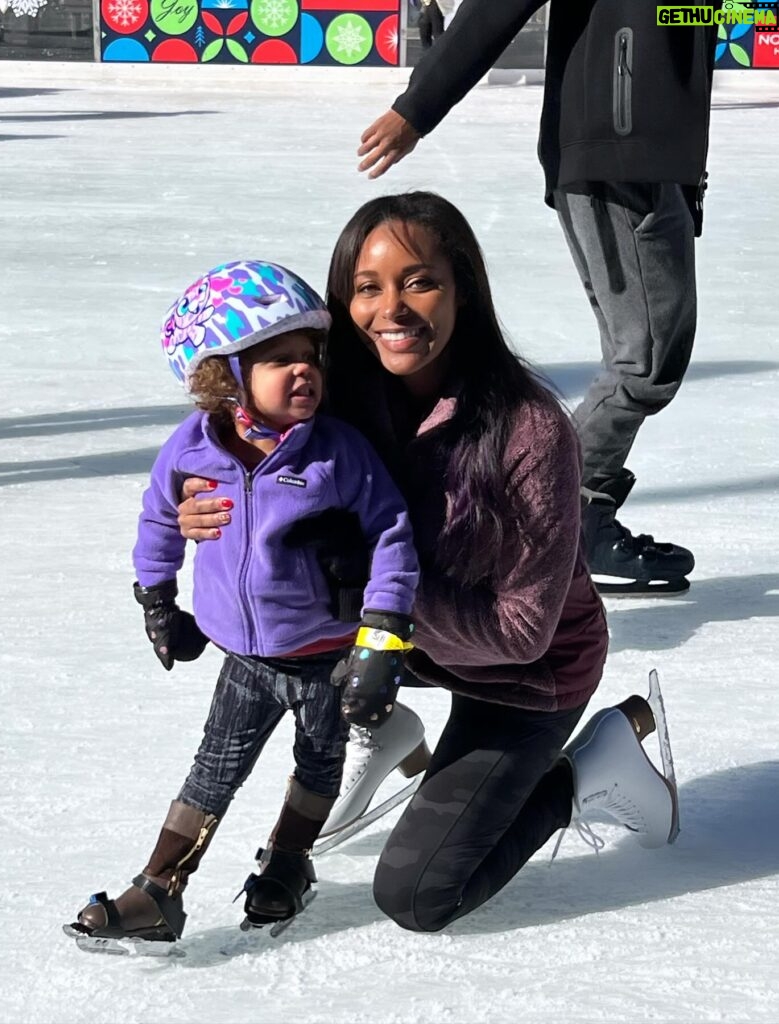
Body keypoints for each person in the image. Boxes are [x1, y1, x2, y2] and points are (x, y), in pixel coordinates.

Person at [177, 194, 679, 934]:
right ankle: (380, 727)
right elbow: (231, 442)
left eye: (419, 282)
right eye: (368, 287)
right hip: (399, 652)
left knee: (417, 897)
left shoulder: (530, 431)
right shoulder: (336, 402)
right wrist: (205, 500)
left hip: (521, 678)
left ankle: (587, 769)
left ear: (463, 290)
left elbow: (521, 634)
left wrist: (380, 603)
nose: (392, 308)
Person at [64, 260, 419, 950]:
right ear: (225, 375)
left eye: (309, 356)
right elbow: (159, 518)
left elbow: (393, 537)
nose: (302, 372)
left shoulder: (337, 452)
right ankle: (159, 890)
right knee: (213, 770)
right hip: (245, 658)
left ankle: (287, 865)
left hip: (327, 653)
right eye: (277, 359)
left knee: (317, 763)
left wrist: (383, 638)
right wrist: (157, 597)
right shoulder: (193, 448)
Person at [355, 0, 722, 597]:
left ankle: (567, 518)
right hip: (617, 148)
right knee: (643, 362)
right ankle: (559, 521)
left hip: (653, 153)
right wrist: (418, 107)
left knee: (648, 356)